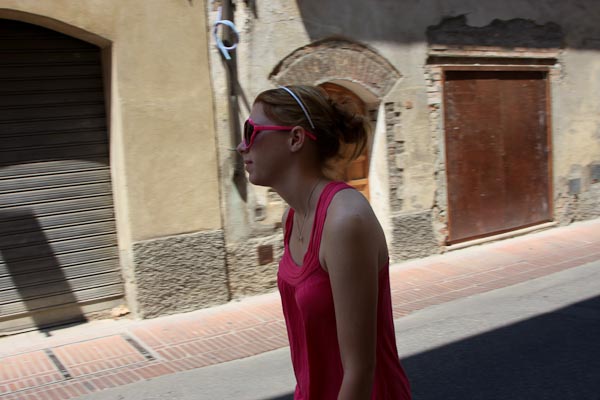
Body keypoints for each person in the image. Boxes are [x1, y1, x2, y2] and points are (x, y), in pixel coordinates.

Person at [237, 85, 411, 400]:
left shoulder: (344, 221)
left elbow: (360, 371)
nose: (241, 146)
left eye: (251, 132)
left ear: (295, 139)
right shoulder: (293, 218)